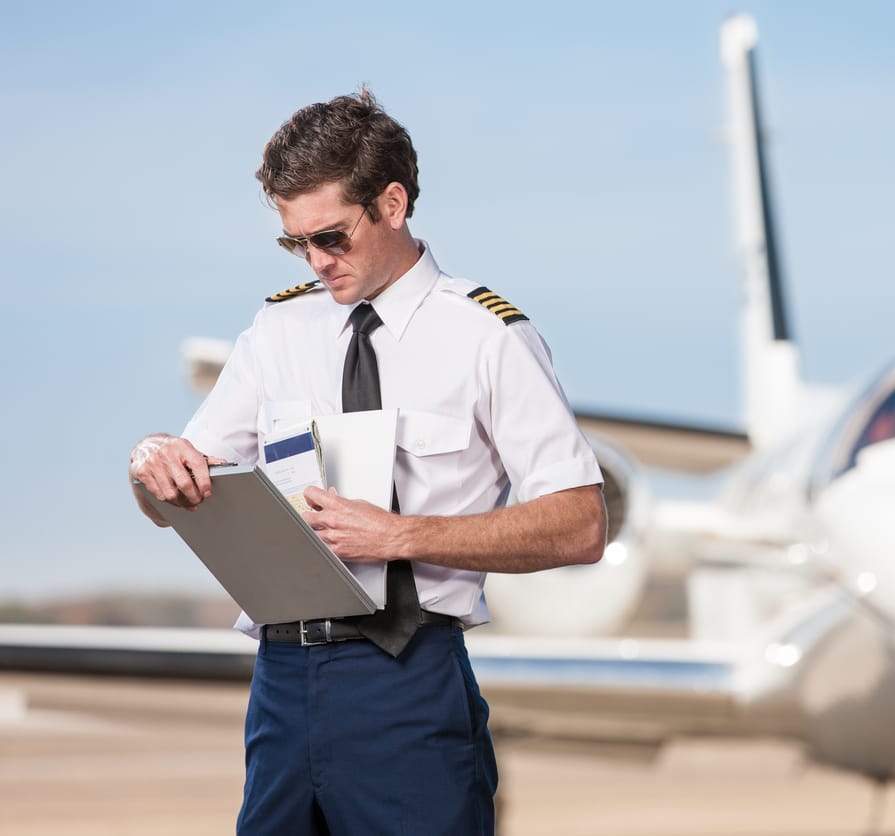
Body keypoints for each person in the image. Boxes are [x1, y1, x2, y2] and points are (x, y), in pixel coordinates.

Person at [128, 87, 607, 835]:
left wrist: (402, 536)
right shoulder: (276, 330)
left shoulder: (488, 337)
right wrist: (153, 465)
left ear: (392, 203)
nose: (317, 262)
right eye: (297, 244)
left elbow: (581, 525)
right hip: (281, 683)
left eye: (332, 237)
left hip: (406, 683)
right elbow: (179, 490)